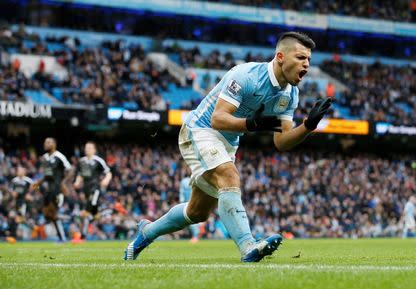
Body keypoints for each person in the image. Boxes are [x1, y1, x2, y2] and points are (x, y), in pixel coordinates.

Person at [124, 31, 332, 262]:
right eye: (301, 58)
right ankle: (248, 246)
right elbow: (218, 119)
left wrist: (308, 125)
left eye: (309, 60)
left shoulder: (290, 95)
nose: (306, 65)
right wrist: (251, 123)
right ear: (281, 56)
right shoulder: (247, 75)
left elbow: (281, 142)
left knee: (197, 212)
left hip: (228, 142)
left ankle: (146, 232)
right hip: (201, 130)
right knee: (229, 176)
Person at [32, 137, 72, 242]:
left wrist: (63, 183)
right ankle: (64, 222)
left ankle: (62, 237)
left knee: (53, 213)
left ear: (54, 144)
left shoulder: (59, 156)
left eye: (48, 142)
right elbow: (47, 175)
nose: (46, 144)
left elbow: (70, 170)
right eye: (45, 142)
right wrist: (38, 183)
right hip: (48, 189)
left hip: (57, 189)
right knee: (46, 214)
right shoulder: (44, 158)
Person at [73, 141, 112, 239]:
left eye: (90, 148)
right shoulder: (81, 161)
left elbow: (108, 172)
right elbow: (80, 174)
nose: (87, 149)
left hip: (95, 189)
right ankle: (109, 211)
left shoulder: (98, 161)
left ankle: (82, 236)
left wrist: (106, 180)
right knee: (95, 214)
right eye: (86, 148)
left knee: (86, 211)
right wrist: (77, 182)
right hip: (86, 190)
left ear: (94, 150)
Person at [179, 170, 200, 243]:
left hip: (189, 203)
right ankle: (195, 236)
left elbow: (181, 193)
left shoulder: (184, 181)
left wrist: (181, 202)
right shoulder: (196, 179)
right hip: (194, 203)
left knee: (191, 219)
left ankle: (195, 236)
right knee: (192, 220)